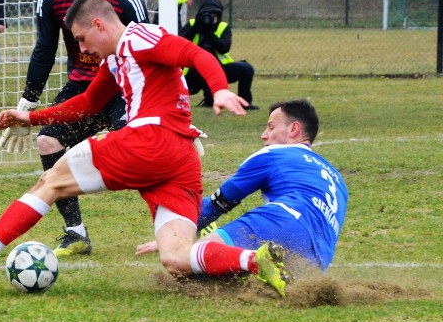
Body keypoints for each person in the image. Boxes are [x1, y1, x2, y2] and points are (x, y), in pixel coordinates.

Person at [0, 0, 292, 297]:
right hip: (179, 159)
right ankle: (254, 260)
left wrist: (219, 89)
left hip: (149, 140)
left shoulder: (140, 38)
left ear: (99, 24)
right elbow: (88, 104)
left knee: (51, 182)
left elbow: (194, 55)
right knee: (176, 258)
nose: (82, 49)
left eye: (81, 39)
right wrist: (31, 117)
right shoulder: (116, 59)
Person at [0, 0, 149, 258]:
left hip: (122, 89)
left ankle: (189, 220)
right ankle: (75, 233)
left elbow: (147, 55)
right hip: (83, 88)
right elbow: (44, 51)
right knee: (47, 139)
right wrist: (27, 105)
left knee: (142, 156)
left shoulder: (128, 1)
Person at [136, 99, 349, 273]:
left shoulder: (273, 154)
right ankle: (257, 266)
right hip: (316, 261)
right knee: (233, 276)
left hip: (281, 222)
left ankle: (250, 259)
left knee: (181, 263)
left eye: (271, 127)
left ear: (294, 129)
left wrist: (174, 236)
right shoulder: (339, 181)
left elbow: (217, 204)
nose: (264, 135)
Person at [179, 0, 258, 110]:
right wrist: (196, 27)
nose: (209, 19)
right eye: (206, 15)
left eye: (213, 16)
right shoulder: (192, 24)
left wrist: (209, 32)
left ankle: (245, 102)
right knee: (201, 66)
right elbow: (179, 41)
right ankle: (209, 99)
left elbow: (224, 48)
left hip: (219, 70)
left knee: (246, 68)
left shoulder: (223, 27)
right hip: (192, 74)